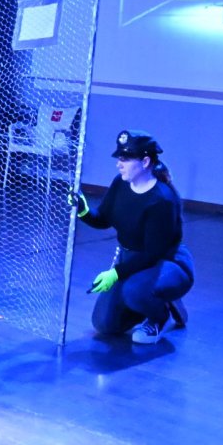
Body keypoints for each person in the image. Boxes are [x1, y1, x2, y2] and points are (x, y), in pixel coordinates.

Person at [73, 130, 194, 344]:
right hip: (132, 260)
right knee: (104, 324)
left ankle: (158, 316)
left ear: (145, 162)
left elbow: (152, 253)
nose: (119, 164)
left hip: (166, 262)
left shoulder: (162, 200)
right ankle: (154, 297)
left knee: (134, 292)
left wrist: (116, 273)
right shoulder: (120, 184)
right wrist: (84, 211)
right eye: (119, 158)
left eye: (126, 159)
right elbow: (103, 219)